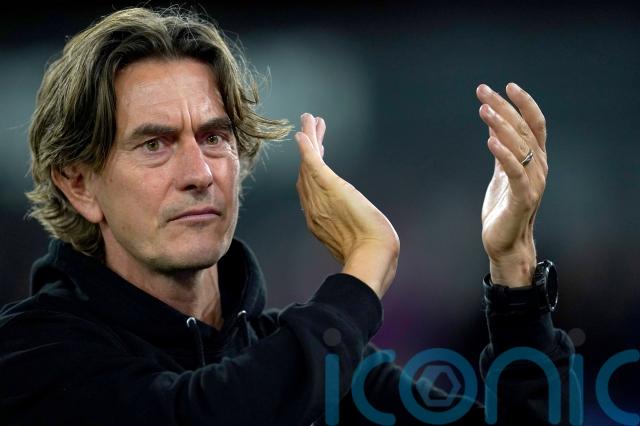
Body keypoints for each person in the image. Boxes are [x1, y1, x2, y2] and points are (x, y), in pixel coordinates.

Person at [0, 6, 576, 425]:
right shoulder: (31, 355)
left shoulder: (314, 363)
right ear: (79, 184)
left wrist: (514, 271)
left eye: (215, 137)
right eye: (155, 144)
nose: (199, 172)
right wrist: (363, 271)